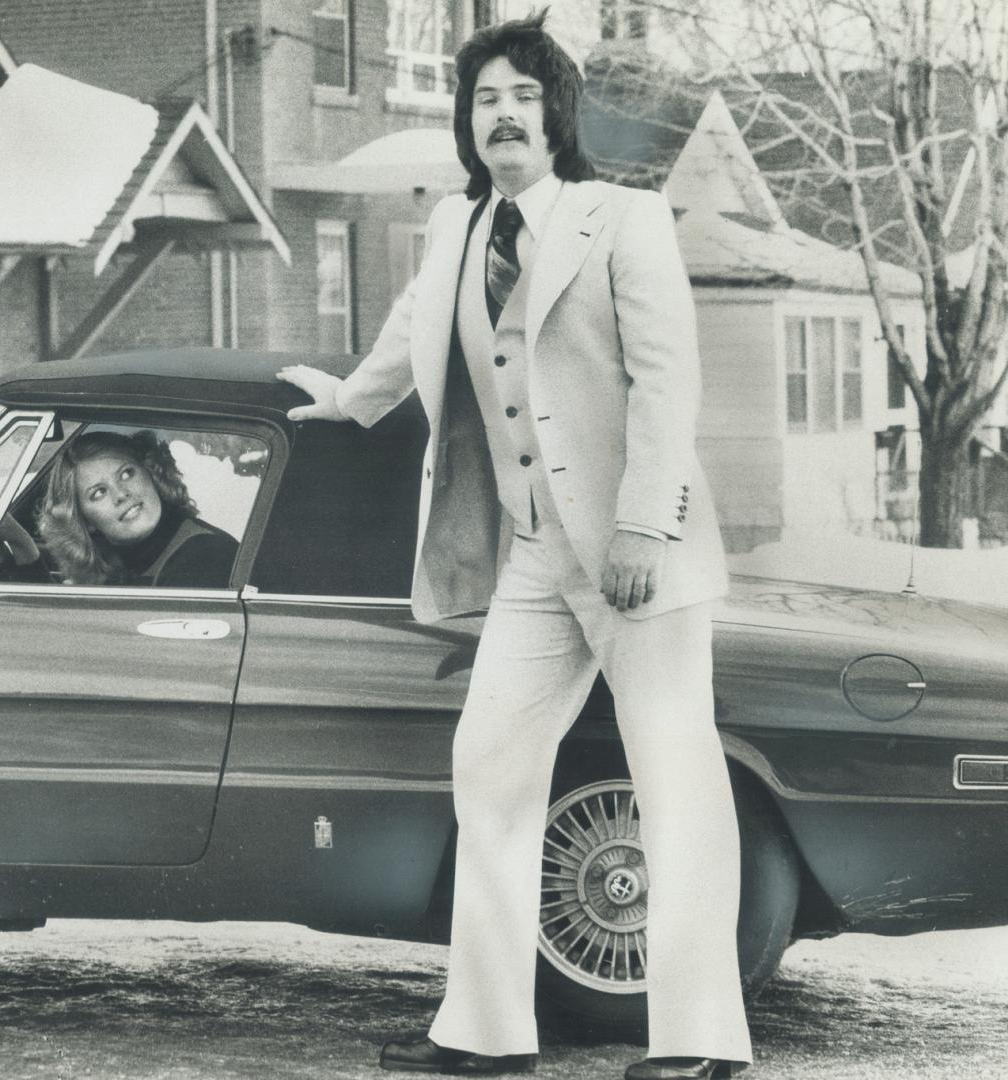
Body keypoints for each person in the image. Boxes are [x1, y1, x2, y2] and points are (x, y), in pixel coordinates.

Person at [278, 13, 751, 1080]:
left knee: (673, 778)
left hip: (641, 554)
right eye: (484, 99)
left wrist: (641, 520)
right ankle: (486, 1033)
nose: (503, 115)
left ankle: (700, 1044)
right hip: (533, 555)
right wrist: (348, 401)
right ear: (465, 122)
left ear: (557, 116)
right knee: (487, 767)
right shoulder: (453, 229)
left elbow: (670, 382)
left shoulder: (620, 218)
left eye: (522, 98)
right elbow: (411, 330)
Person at [36, 430, 238, 588]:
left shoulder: (204, 555)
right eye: (99, 493)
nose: (121, 494)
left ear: (150, 473)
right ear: (85, 521)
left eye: (126, 474)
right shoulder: (118, 568)